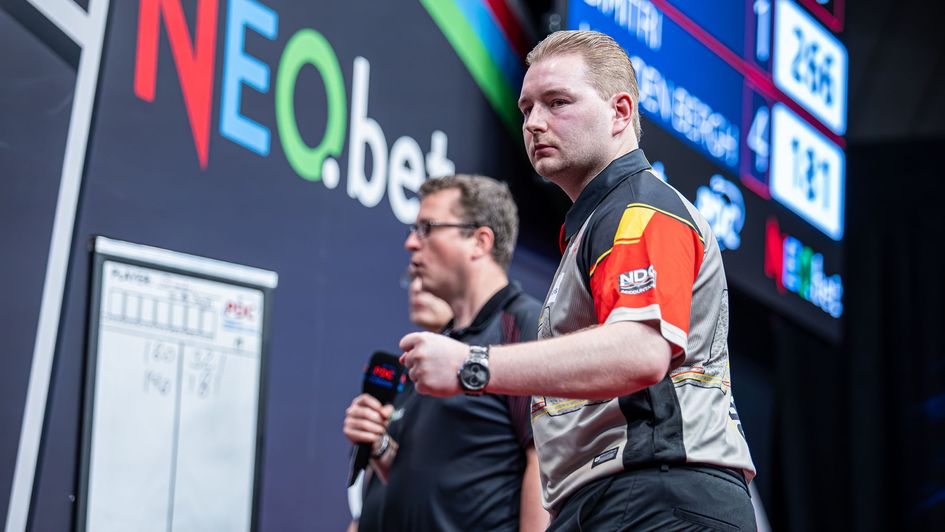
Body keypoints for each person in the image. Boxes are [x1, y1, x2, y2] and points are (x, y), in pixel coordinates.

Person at [400, 30, 757, 530]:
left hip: (657, 496)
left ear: (620, 112)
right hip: (619, 497)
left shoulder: (639, 207)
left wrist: (472, 364)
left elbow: (641, 350)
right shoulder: (599, 222)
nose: (535, 123)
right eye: (526, 109)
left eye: (557, 102)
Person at [343, 174, 549, 531]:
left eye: (427, 228)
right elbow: (427, 485)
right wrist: (379, 446)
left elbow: (546, 467)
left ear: (479, 242)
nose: (410, 243)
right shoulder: (441, 347)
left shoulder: (527, 328)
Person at [346, 274, 454, 532]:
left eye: (427, 280)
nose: (417, 288)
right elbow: (376, 490)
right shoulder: (405, 380)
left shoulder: (468, 384)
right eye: (412, 279)